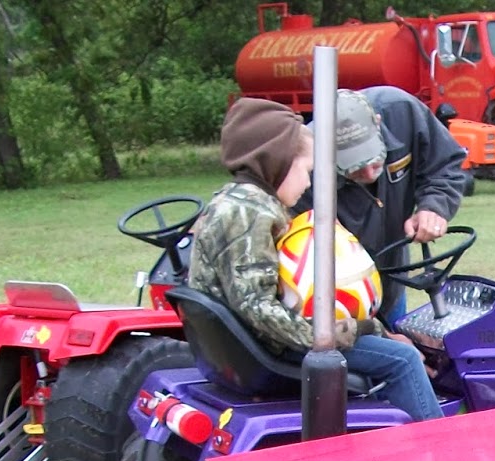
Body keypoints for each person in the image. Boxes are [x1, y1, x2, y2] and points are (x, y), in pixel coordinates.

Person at [186, 97, 441, 424]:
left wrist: (368, 328)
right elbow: (258, 308)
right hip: (270, 351)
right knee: (403, 358)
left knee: (385, 340)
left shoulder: (235, 200)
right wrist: (353, 329)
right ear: (277, 161)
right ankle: (441, 451)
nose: (309, 183)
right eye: (306, 171)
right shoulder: (248, 214)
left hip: (252, 345)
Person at [302, 86, 468, 319]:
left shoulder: (402, 113)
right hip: (346, 300)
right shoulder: (303, 170)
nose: (370, 174)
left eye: (374, 158)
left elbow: (445, 164)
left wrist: (434, 206)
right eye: (355, 168)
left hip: (393, 284)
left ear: (378, 123)